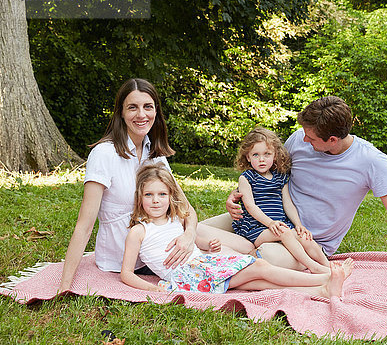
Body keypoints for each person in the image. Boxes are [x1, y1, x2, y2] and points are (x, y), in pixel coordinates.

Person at [217, 96, 387, 272]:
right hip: (262, 219)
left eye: (310, 137)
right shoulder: (299, 139)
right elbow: (267, 174)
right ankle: (219, 252)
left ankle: (226, 254)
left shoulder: (372, 162)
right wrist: (236, 195)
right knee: (198, 229)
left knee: (266, 256)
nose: (304, 139)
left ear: (331, 140)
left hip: (309, 243)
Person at [58, 78, 251, 293]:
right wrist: (64, 286)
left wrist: (188, 237)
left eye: (147, 107)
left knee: (246, 247)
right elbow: (84, 226)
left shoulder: (156, 157)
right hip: (137, 256)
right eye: (133, 107)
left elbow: (186, 210)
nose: (141, 115)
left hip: (167, 234)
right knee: (238, 263)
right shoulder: (104, 154)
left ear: (156, 112)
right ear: (121, 112)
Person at [121, 163, 354, 298]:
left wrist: (207, 246)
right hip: (187, 277)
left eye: (162, 194)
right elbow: (127, 274)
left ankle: (322, 290)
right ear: (139, 198)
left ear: (171, 197)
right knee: (259, 267)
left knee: (257, 282)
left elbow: (195, 245)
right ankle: (324, 276)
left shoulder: (175, 221)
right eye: (148, 195)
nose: (155, 200)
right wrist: (154, 290)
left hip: (203, 264)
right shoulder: (139, 231)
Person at [232, 127, 330, 274]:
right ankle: (312, 266)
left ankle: (327, 265)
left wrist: (298, 224)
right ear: (248, 157)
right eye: (255, 155)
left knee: (303, 236)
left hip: (279, 225)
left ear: (275, 155)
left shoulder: (280, 177)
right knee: (284, 232)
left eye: (267, 154)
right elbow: (250, 206)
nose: (261, 159)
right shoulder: (246, 178)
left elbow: (288, 204)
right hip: (257, 229)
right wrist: (270, 223)